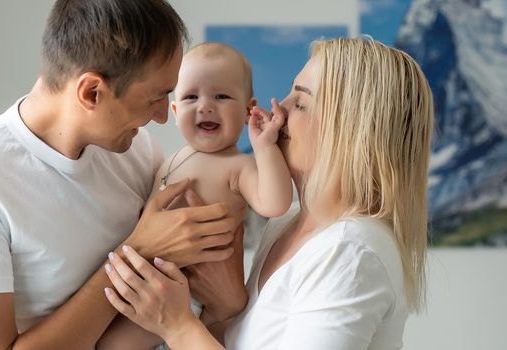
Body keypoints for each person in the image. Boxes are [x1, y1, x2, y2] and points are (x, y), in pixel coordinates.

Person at [0, 1, 244, 349]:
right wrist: (137, 250)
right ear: (91, 92)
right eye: (155, 97)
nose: (164, 116)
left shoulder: (139, 151)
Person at [101, 36, 434, 349]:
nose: (280, 108)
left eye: (300, 102)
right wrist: (219, 312)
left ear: (348, 131)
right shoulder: (286, 225)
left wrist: (176, 325)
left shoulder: (349, 252)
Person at [97, 42, 294, 349]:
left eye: (222, 96)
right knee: (106, 339)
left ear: (248, 110)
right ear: (175, 111)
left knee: (113, 345)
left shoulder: (239, 166)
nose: (205, 106)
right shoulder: (168, 160)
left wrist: (265, 146)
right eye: (191, 96)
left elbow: (276, 203)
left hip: (191, 295)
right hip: (156, 281)